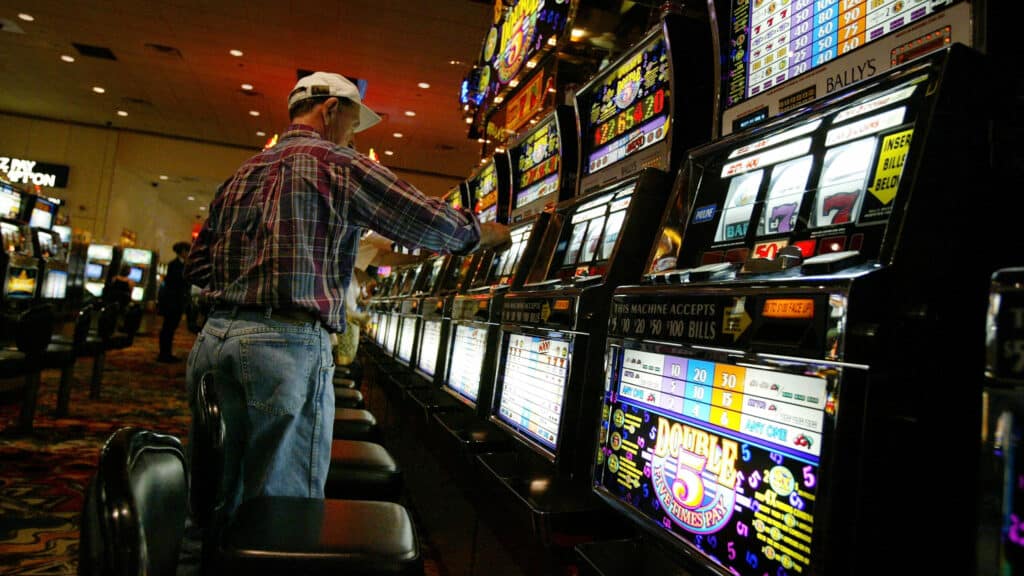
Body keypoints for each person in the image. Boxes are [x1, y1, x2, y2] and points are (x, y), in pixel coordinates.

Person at [177, 71, 509, 573]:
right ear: (332, 110)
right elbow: (424, 219)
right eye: (355, 122)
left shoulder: (243, 173)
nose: (356, 135)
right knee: (281, 507)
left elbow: (196, 268)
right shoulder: (336, 162)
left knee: (221, 493)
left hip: (216, 339)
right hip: (282, 347)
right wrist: (487, 234)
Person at [157, 241, 191, 362]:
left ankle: (166, 352)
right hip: (172, 302)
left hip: (176, 301)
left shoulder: (180, 264)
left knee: (170, 328)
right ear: (182, 252)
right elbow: (177, 283)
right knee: (168, 329)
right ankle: (164, 354)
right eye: (187, 251)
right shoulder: (175, 265)